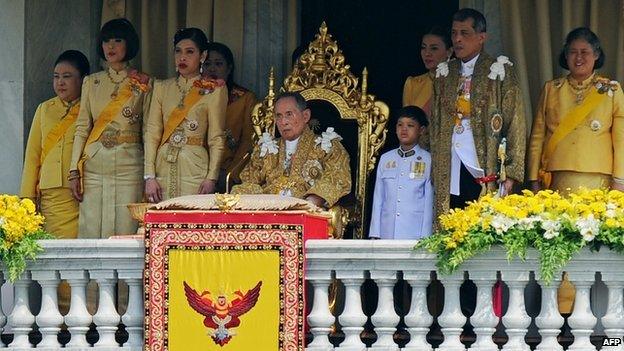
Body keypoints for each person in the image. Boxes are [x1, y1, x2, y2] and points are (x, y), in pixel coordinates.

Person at [527, 27, 624, 314]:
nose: (578, 57)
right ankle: (562, 314)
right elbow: (537, 137)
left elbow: (620, 138)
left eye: (585, 52)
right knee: (559, 244)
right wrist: (533, 179)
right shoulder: (551, 88)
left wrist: (619, 182)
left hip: (600, 181)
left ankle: (601, 316)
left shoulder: (611, 91)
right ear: (564, 56)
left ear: (596, 55)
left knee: (596, 245)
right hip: (559, 180)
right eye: (573, 52)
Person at [430, 8, 526, 216]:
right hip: (450, 163)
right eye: (454, 33)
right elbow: (435, 124)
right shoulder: (444, 73)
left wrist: (511, 173)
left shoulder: (500, 70)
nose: (457, 39)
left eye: (465, 33)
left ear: (482, 37)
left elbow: (515, 124)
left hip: (485, 163)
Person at [68, 18, 152, 238]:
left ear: (129, 44)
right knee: (91, 226)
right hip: (94, 163)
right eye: (106, 41)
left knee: (126, 227)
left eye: (117, 40)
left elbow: (149, 131)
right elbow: (82, 128)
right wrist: (73, 170)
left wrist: (150, 173)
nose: (111, 47)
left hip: (129, 163)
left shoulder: (144, 82)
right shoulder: (91, 82)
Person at [143, 28, 227, 202]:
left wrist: (211, 177)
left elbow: (216, 138)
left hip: (195, 166)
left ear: (202, 56)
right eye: (178, 51)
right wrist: (149, 176)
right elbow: (152, 133)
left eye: (190, 52)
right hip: (163, 165)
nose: (182, 57)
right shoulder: (161, 87)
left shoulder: (214, 90)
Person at [231, 92, 351, 209]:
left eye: (289, 114)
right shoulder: (265, 150)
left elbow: (337, 178)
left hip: (308, 214)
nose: (284, 122)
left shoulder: (327, 146)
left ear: (305, 116)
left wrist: (311, 202)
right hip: (267, 214)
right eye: (279, 116)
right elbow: (249, 182)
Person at [20, 50, 90, 238]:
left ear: (83, 79)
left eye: (67, 77)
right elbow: (33, 154)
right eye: (56, 77)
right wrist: (27, 197)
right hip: (51, 193)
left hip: (80, 192)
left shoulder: (90, 107)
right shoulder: (44, 109)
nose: (60, 82)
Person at [369, 106, 433, 239]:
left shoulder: (428, 160)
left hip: (414, 233)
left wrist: (426, 236)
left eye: (410, 125)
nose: (404, 129)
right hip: (386, 232)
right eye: (400, 125)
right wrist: (375, 233)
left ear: (421, 130)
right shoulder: (386, 158)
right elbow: (378, 198)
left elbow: (429, 201)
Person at [203, 42, 257, 192]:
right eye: (207, 64)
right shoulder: (194, 97)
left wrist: (231, 174)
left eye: (218, 64)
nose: (212, 69)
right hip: (197, 171)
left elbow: (248, 141)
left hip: (229, 174)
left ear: (229, 67)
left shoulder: (245, 98)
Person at [403, 26, 453, 116]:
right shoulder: (413, 84)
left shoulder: (459, 82)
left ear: (449, 52)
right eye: (423, 48)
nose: (427, 53)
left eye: (434, 48)